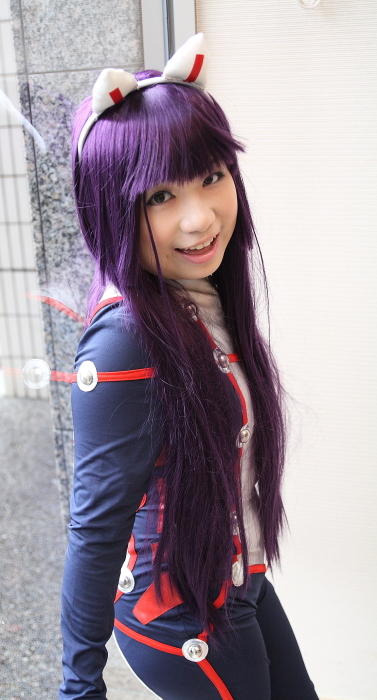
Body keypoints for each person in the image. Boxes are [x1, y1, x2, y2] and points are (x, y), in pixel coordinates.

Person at [59, 34, 319, 700]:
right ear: (113, 207)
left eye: (210, 177)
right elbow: (95, 529)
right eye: (158, 197)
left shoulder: (200, 296)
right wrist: (80, 684)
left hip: (234, 582)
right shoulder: (124, 342)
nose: (200, 219)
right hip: (178, 618)